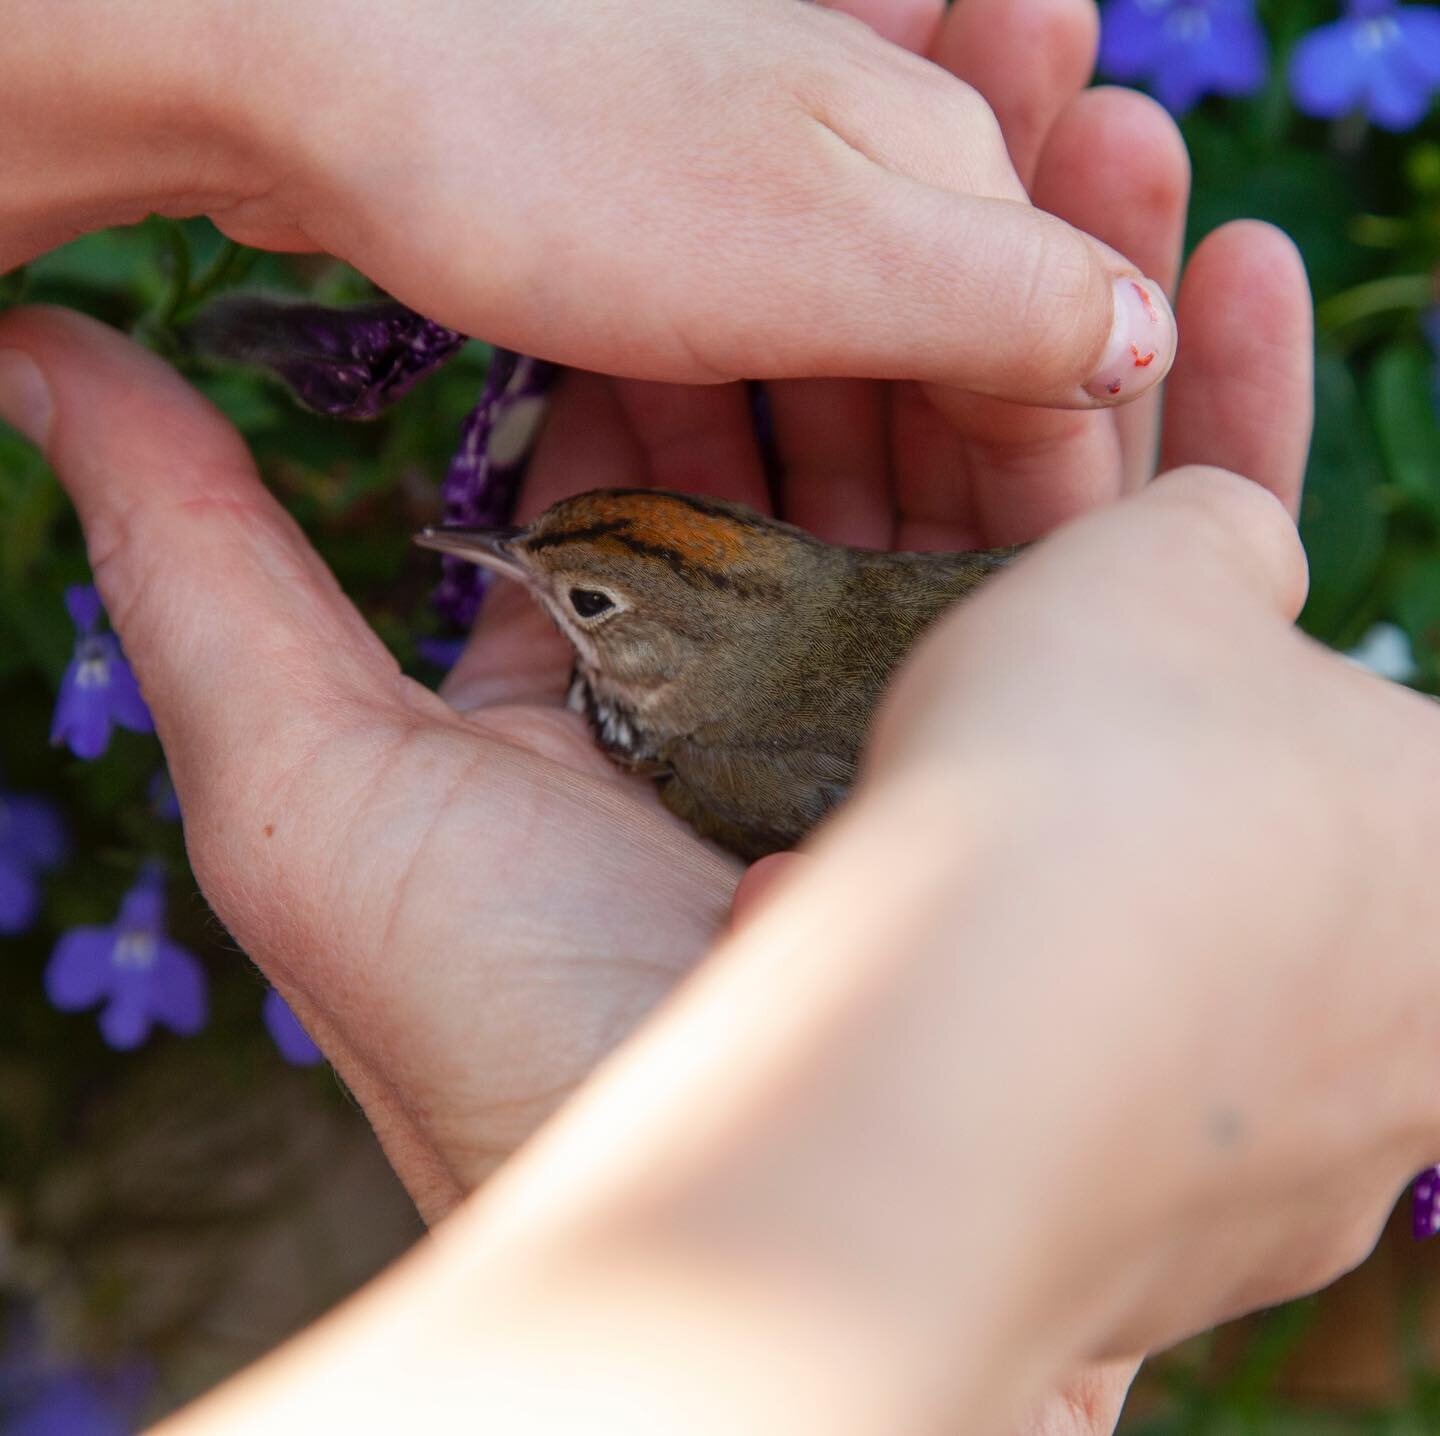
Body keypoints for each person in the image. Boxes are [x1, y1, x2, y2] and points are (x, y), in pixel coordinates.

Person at [1, 1, 1422, 1433]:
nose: (506, 577)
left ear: (678, 662)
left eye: (593, 611)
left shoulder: (726, 764)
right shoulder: (784, 629)